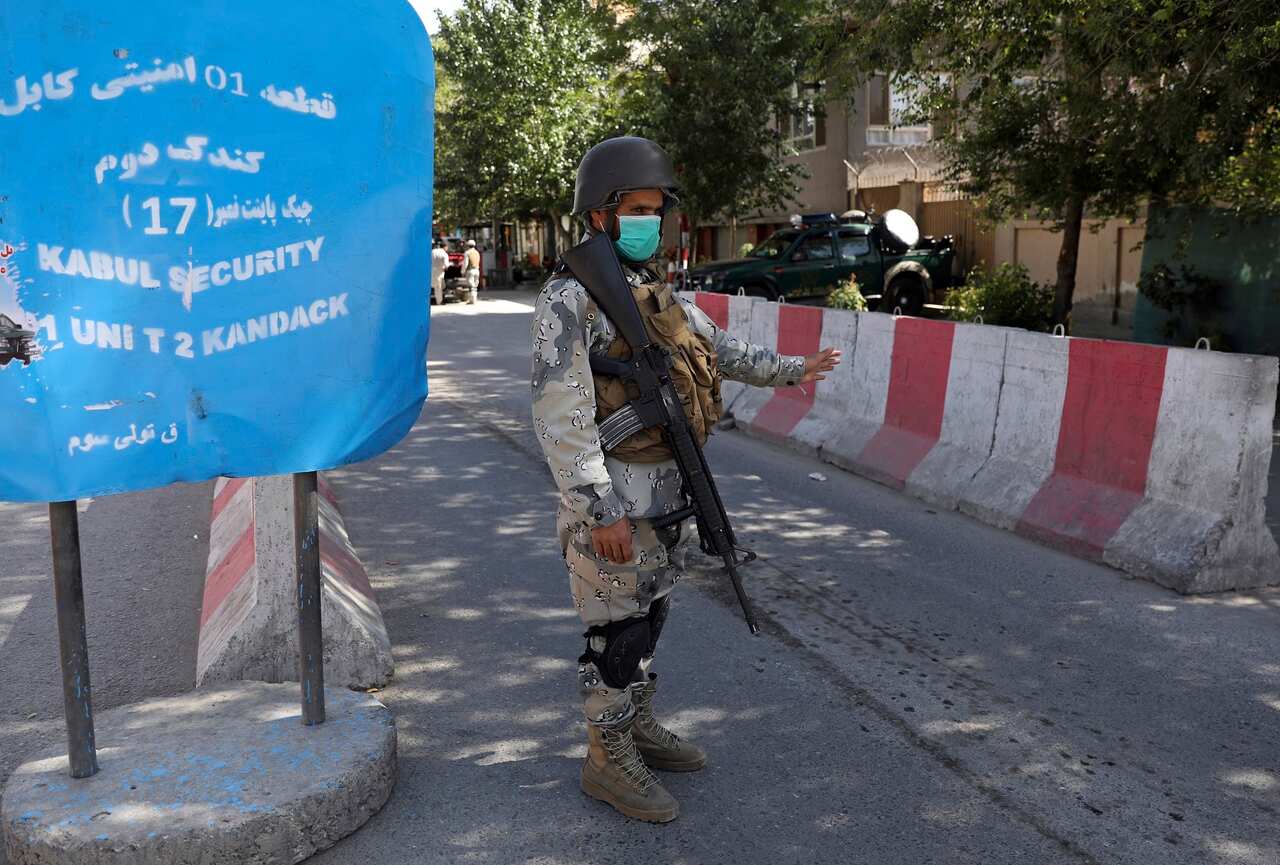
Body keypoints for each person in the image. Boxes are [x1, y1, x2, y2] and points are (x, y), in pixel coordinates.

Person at [530, 137, 841, 823]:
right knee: (614, 633)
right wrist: (599, 510)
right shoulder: (571, 300)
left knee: (649, 617)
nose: (651, 222)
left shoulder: (651, 290)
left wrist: (796, 368)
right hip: (614, 507)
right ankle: (606, 758)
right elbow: (561, 415)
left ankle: (636, 726)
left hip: (667, 498)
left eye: (656, 210)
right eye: (637, 209)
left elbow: (720, 349)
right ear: (601, 215)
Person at [430, 239, 449, 305]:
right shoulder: (444, 254)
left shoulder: (433, 251)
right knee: (439, 288)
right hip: (439, 273)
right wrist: (445, 268)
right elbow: (446, 265)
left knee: (432, 287)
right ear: (445, 247)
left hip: (431, 272)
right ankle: (439, 302)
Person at [463, 238, 482, 304]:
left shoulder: (467, 253)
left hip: (470, 270)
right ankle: (474, 299)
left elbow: (465, 263)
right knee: (475, 286)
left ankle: (472, 300)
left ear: (468, 246)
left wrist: (463, 271)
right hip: (477, 270)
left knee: (471, 286)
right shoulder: (477, 252)